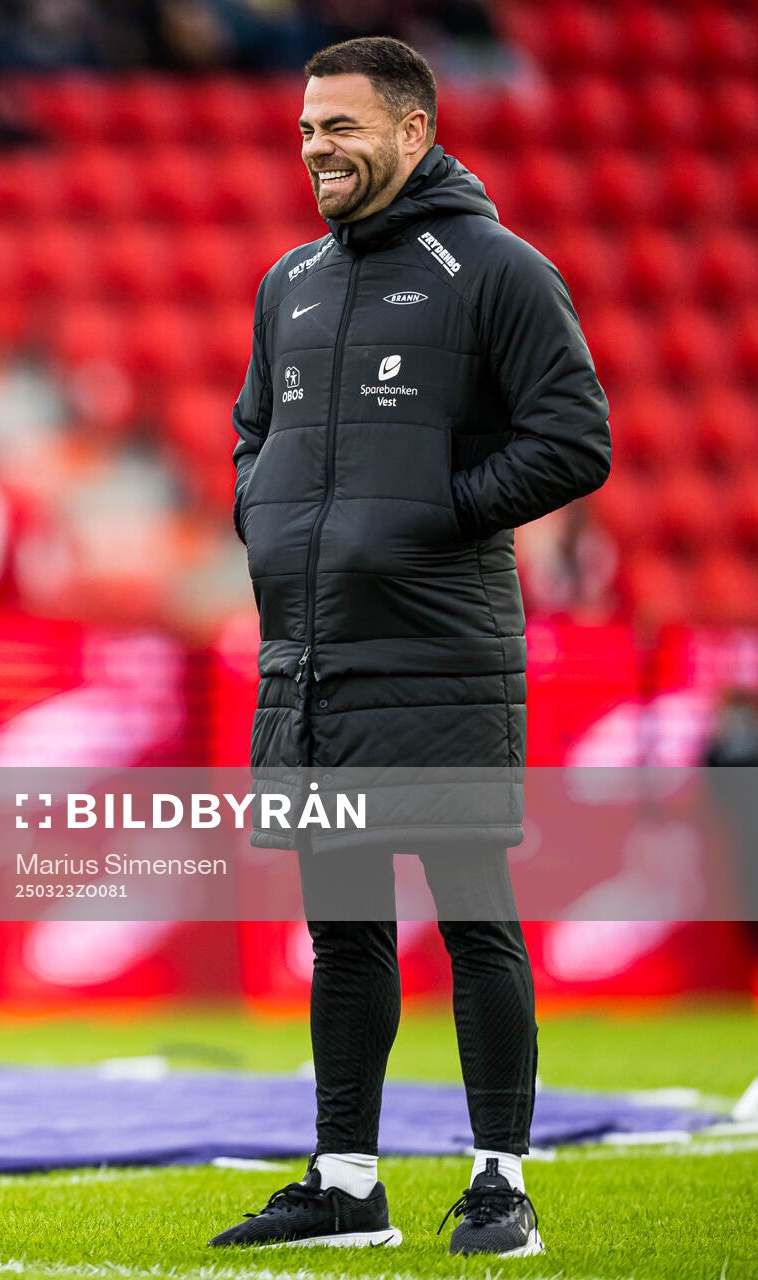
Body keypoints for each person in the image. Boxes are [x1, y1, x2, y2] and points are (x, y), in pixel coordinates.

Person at [214, 37, 608, 1257]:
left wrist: (426, 516)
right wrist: (270, 523)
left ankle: (502, 1185)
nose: (317, 148)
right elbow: (251, 434)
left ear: (415, 133)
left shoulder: (496, 268)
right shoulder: (292, 281)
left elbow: (574, 437)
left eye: (341, 126)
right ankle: (346, 1185)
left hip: (443, 655)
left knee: (476, 920)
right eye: (304, 129)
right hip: (315, 658)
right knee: (342, 931)